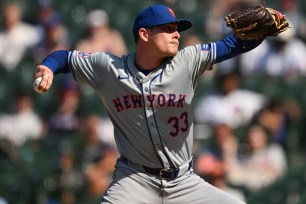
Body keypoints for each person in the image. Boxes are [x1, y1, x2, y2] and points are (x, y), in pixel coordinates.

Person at [33, 4, 273, 204]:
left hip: (184, 181)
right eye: (168, 29)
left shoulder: (187, 60)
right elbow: (65, 58)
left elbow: (233, 45)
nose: (176, 34)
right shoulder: (109, 68)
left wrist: (264, 31)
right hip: (134, 179)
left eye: (177, 29)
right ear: (144, 34)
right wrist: (48, 68)